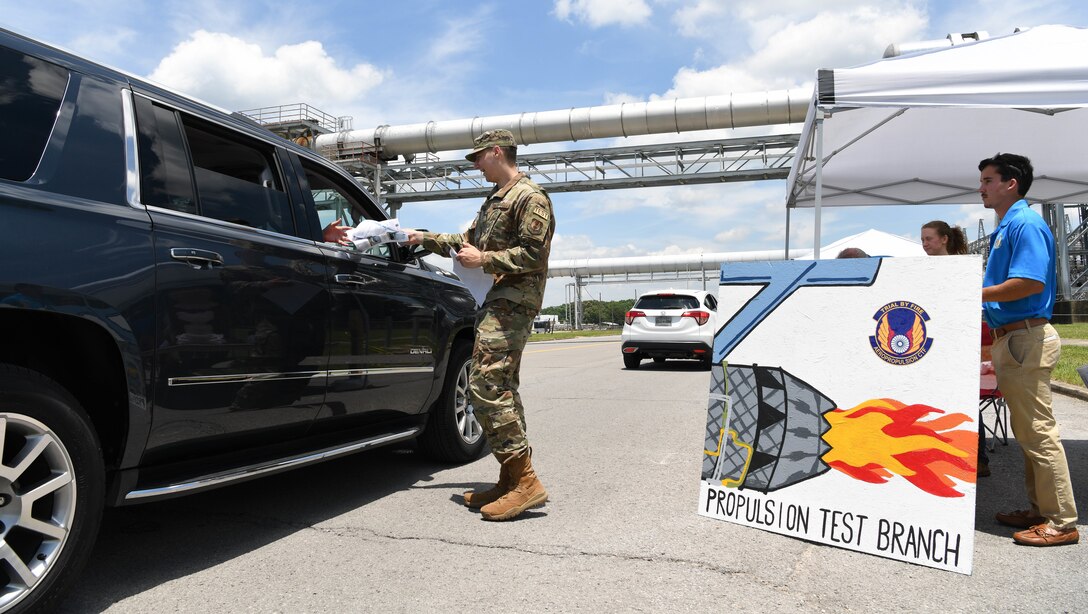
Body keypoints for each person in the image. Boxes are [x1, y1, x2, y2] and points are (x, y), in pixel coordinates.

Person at [406, 129, 555, 521]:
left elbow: (533, 255)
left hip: (514, 302)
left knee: (485, 385)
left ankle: (526, 482)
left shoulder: (529, 197)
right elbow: (464, 240)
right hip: (495, 300)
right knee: (501, 385)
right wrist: (423, 237)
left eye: (478, 157)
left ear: (496, 151)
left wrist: (485, 260)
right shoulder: (495, 201)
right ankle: (510, 479)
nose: (474, 165)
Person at [980, 153, 1079, 546]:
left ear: (1011, 183)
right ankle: (1040, 508)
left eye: (988, 180)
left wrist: (970, 291)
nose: (981, 187)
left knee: (1038, 431)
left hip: (1025, 336)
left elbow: (1029, 282)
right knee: (1027, 431)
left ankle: (1061, 521)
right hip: (1013, 336)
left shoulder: (1024, 223)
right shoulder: (1009, 225)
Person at [921, 220, 990, 477]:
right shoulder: (922, 270)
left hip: (957, 342)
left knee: (966, 400)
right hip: (933, 344)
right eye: (922, 240)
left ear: (944, 239)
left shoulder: (962, 269)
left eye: (928, 239)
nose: (925, 244)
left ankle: (979, 457)